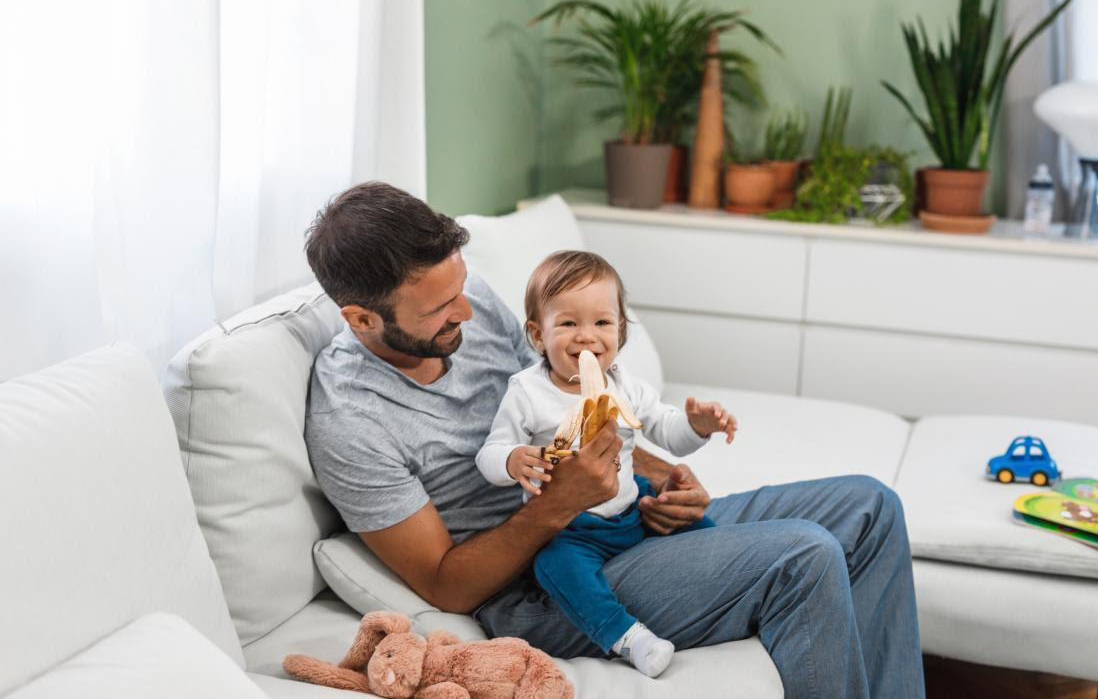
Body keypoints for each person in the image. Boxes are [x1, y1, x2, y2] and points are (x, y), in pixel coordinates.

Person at [304, 181, 925, 697]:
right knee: (805, 553)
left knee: (869, 505)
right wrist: (559, 502)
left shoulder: (473, 306)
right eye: (441, 308)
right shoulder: (351, 421)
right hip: (549, 585)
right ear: (361, 318)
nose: (466, 312)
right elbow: (445, 585)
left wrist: (659, 474)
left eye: (461, 290)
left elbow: (576, 401)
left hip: (623, 522)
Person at [475, 250, 737, 677]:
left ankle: (731, 574)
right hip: (572, 530)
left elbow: (668, 432)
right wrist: (512, 459)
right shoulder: (526, 392)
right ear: (538, 336)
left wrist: (697, 425)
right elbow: (489, 452)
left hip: (634, 510)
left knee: (696, 525)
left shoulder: (624, 384)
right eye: (568, 324)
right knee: (552, 565)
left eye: (601, 323)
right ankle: (630, 639)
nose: (586, 337)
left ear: (621, 331)